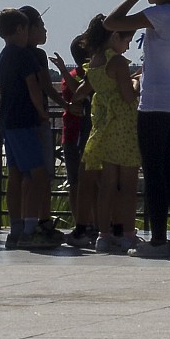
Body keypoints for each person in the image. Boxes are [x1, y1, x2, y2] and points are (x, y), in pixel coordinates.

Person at [102, 0, 170, 255]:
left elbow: (111, 22)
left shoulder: (160, 13)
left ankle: (157, 240)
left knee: (155, 173)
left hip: (155, 103)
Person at [0, 7, 60, 249]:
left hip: (8, 122)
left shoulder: (3, 56)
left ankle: (16, 227)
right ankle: (31, 229)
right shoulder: (24, 56)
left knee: (16, 174)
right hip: (25, 121)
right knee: (39, 174)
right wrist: (43, 113)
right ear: (21, 29)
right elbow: (34, 88)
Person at [79, 14, 141, 251]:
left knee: (107, 185)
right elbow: (128, 95)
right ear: (115, 35)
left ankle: (103, 234)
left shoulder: (95, 61)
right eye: (126, 41)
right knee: (127, 185)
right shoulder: (118, 62)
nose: (127, 47)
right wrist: (137, 82)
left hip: (104, 127)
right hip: (124, 127)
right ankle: (127, 232)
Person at [60, 27, 94, 244]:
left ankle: (81, 222)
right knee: (81, 181)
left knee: (75, 182)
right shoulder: (85, 77)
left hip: (71, 135)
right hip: (78, 135)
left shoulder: (70, 77)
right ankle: (88, 222)